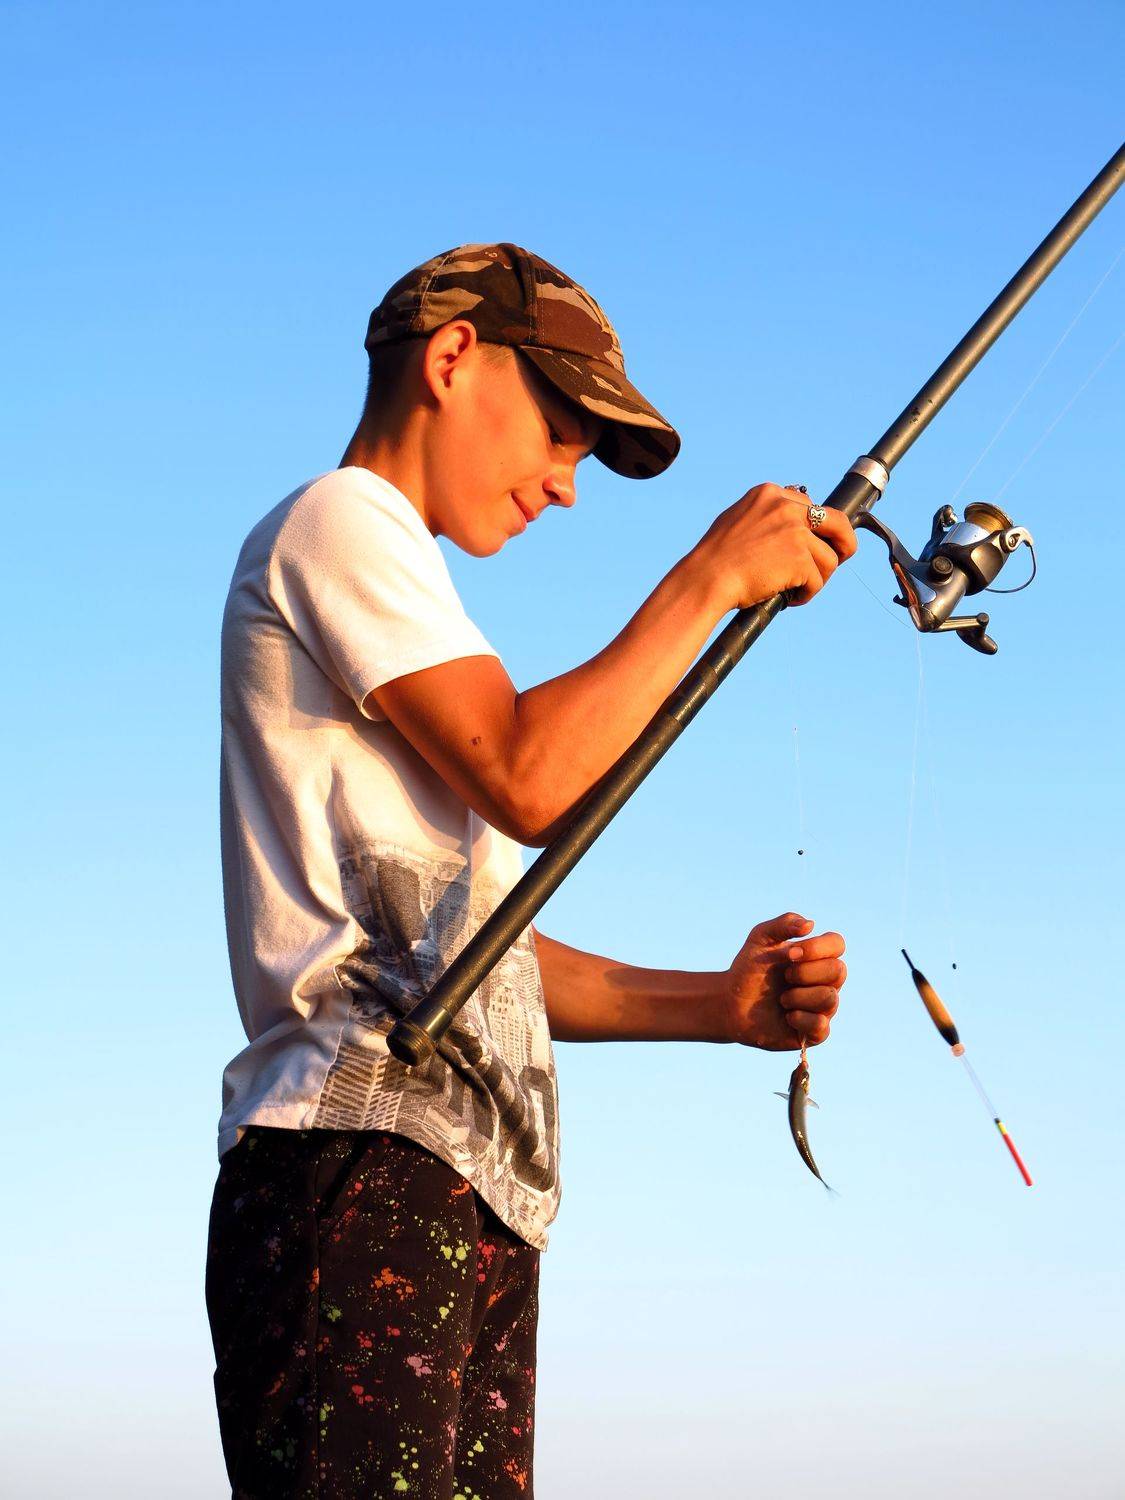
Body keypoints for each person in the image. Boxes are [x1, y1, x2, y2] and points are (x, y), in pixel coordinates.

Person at [206, 242, 855, 1499]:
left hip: (469, 1194)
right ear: (454, 357)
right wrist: (709, 580)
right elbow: (531, 774)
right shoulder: (342, 520)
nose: (566, 485)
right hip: (361, 1167)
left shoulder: (408, 602)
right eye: (562, 433)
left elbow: (479, 958)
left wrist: (718, 1007)